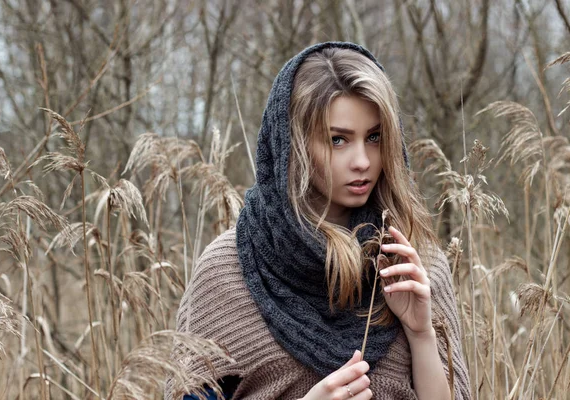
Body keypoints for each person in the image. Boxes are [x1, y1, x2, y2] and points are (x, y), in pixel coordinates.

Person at [164, 42, 471, 400]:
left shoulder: (416, 263)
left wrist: (420, 335)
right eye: (337, 140)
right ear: (294, 146)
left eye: (374, 137)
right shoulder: (226, 271)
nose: (362, 161)